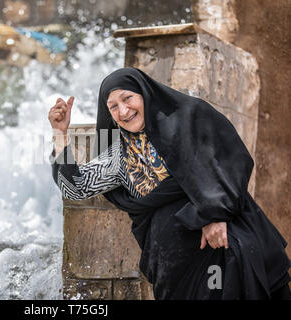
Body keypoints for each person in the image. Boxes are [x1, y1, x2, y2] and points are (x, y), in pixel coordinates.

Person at [48, 67, 290, 300]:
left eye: (128, 98)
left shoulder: (189, 118)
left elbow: (231, 161)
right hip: (174, 268)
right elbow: (75, 188)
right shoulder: (118, 155)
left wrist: (215, 215)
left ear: (144, 93)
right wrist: (59, 134)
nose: (123, 111)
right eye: (113, 107)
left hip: (221, 242)